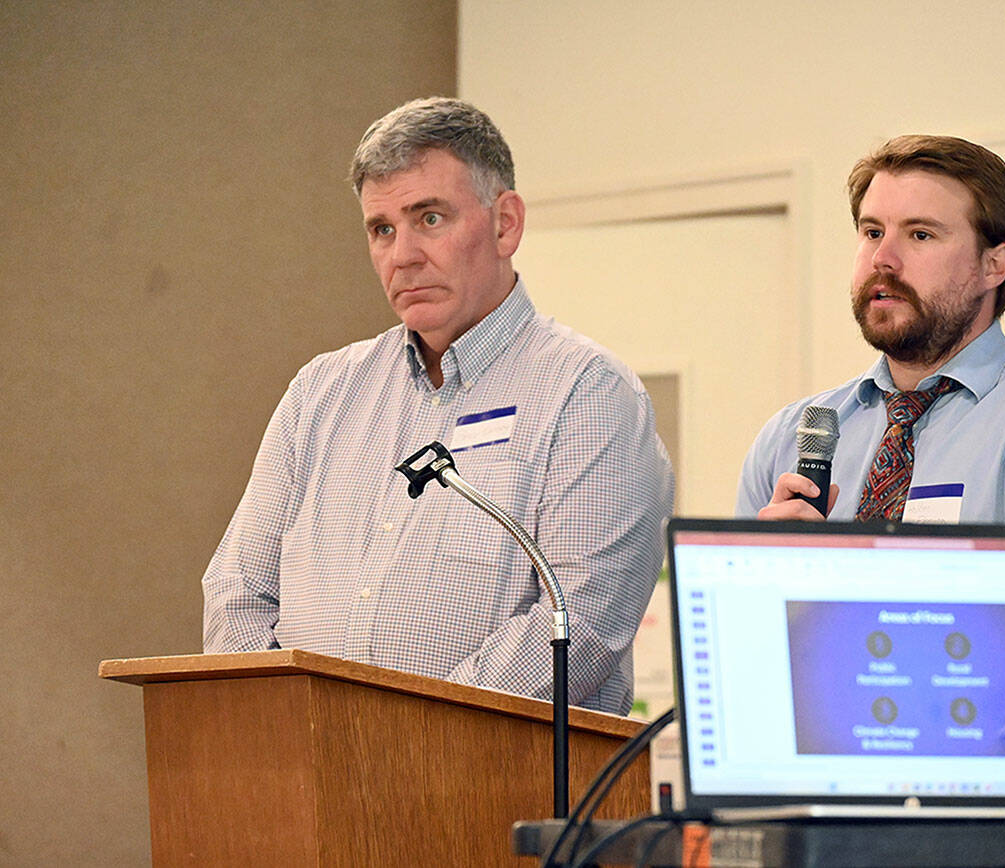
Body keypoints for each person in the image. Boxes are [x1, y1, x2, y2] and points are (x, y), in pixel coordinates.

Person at [203, 97, 673, 715]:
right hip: (306, 782)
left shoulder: (589, 396)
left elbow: (578, 624)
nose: (402, 256)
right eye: (382, 229)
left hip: (492, 793)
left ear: (506, 224)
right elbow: (237, 592)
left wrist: (400, 738)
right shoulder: (320, 393)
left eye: (429, 218)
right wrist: (290, 727)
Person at [736, 135, 1005, 605]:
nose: (882, 260)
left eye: (920, 235)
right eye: (872, 232)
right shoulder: (788, 438)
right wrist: (765, 586)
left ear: (994, 264)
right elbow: (741, 661)